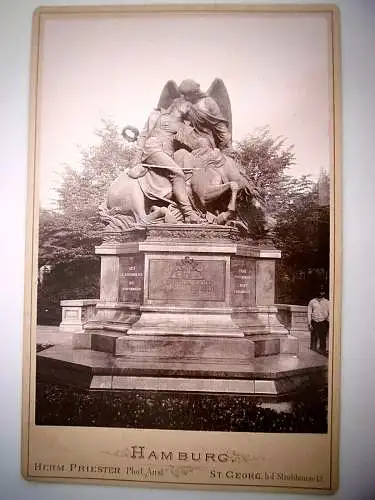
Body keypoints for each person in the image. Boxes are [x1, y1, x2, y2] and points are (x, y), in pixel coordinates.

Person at [128, 98, 203, 224]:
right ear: (179, 105)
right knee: (178, 174)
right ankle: (188, 214)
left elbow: (194, 141)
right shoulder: (157, 115)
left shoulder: (183, 125)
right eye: (188, 107)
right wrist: (137, 157)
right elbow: (143, 135)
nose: (189, 110)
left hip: (169, 154)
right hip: (153, 149)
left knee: (188, 169)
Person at [177, 79, 232, 152]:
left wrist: (228, 146)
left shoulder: (208, 103)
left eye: (188, 95)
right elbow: (173, 122)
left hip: (204, 140)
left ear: (196, 93)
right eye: (184, 95)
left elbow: (221, 127)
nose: (186, 98)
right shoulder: (183, 103)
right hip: (186, 138)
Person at [307, 288, 330, 355]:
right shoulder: (312, 301)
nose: (321, 293)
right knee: (313, 337)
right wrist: (309, 323)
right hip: (314, 321)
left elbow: (330, 313)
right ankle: (313, 352)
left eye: (322, 292)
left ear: (324, 293)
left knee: (323, 338)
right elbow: (309, 312)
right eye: (319, 292)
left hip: (323, 321)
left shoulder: (327, 302)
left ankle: (322, 350)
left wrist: (328, 321)